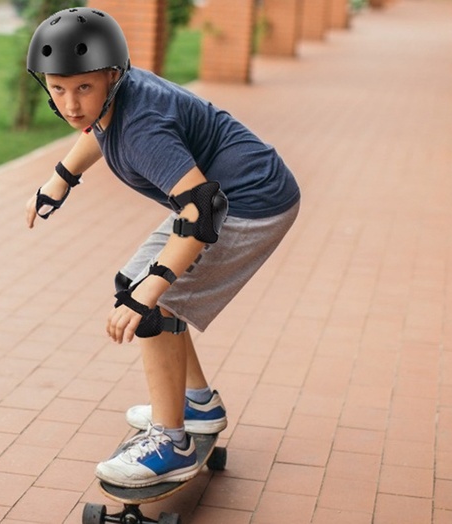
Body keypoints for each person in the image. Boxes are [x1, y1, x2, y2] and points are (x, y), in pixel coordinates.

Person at [24, 7, 300, 488]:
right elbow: (97, 130)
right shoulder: (117, 96)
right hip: (226, 192)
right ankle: (197, 404)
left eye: (83, 88)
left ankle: (171, 443)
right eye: (58, 88)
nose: (71, 105)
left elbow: (204, 209)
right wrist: (61, 179)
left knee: (152, 302)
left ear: (111, 76)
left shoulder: (142, 128)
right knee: (140, 290)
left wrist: (154, 284)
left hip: (249, 203)